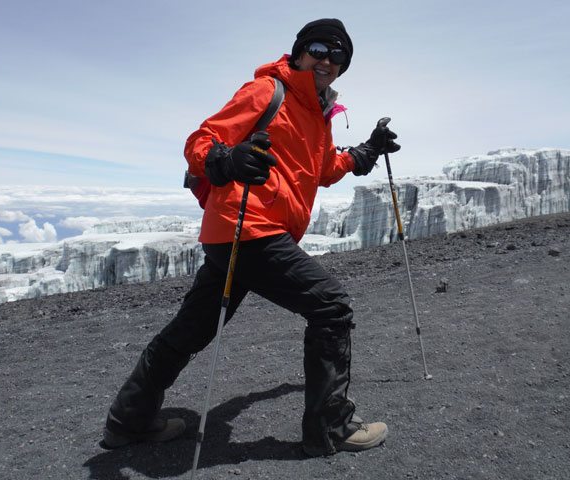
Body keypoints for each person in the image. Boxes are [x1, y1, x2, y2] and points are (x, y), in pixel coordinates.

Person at [102, 18, 400, 457]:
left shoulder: (318, 114)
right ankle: (330, 428)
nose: (327, 60)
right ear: (299, 51)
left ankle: (128, 420)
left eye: (338, 56)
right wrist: (225, 159)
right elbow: (200, 141)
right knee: (331, 306)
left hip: (236, 235)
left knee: (192, 328)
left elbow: (320, 171)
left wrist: (365, 152)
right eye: (319, 49)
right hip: (250, 228)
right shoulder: (266, 91)